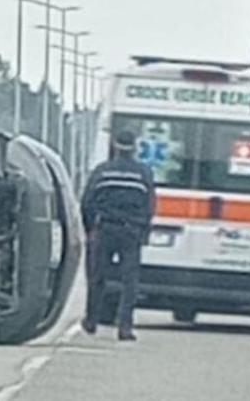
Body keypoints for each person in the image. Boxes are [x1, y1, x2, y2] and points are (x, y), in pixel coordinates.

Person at [81, 130, 156, 341]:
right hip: (131, 231)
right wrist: (143, 231)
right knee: (129, 281)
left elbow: (87, 202)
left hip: (104, 229)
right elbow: (149, 205)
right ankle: (125, 327)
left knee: (97, 278)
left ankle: (91, 321)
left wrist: (90, 229)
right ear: (134, 147)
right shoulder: (143, 173)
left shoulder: (102, 171)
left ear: (114, 145)